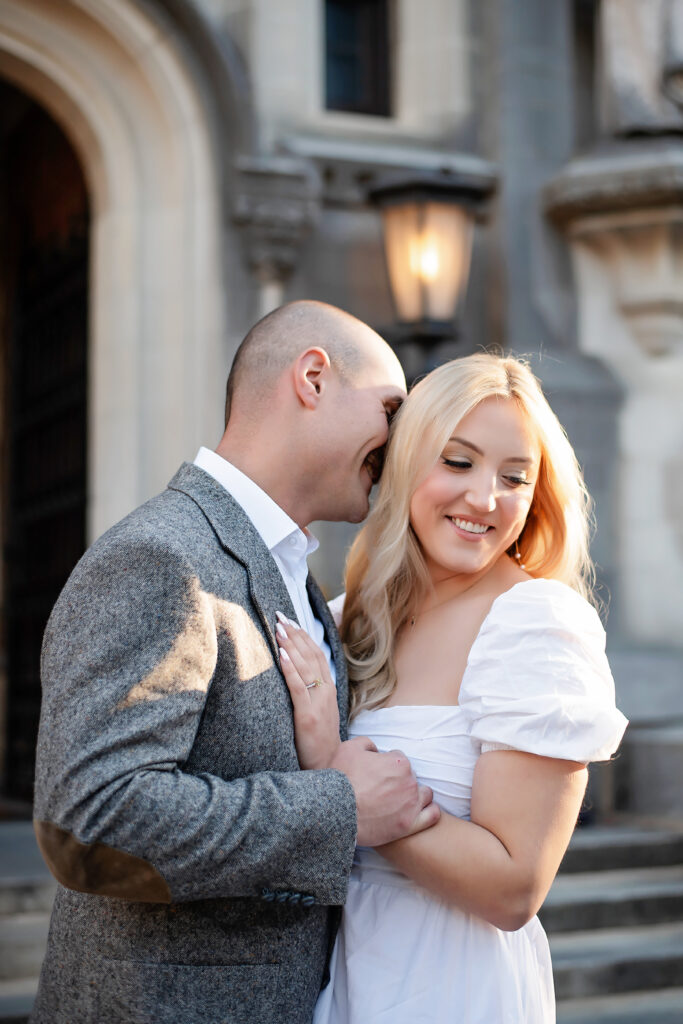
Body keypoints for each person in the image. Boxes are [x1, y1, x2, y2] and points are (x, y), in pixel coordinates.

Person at [30, 300, 440, 1024]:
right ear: (312, 379)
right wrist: (341, 809)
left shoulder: (296, 576)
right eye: (389, 409)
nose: (397, 442)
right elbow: (90, 820)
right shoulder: (161, 557)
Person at [277, 352, 628, 1024]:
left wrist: (335, 777)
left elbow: (513, 888)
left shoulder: (534, 624)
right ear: (405, 460)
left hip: (453, 987)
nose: (484, 499)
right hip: (338, 978)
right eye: (457, 462)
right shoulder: (352, 612)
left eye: (514, 478)